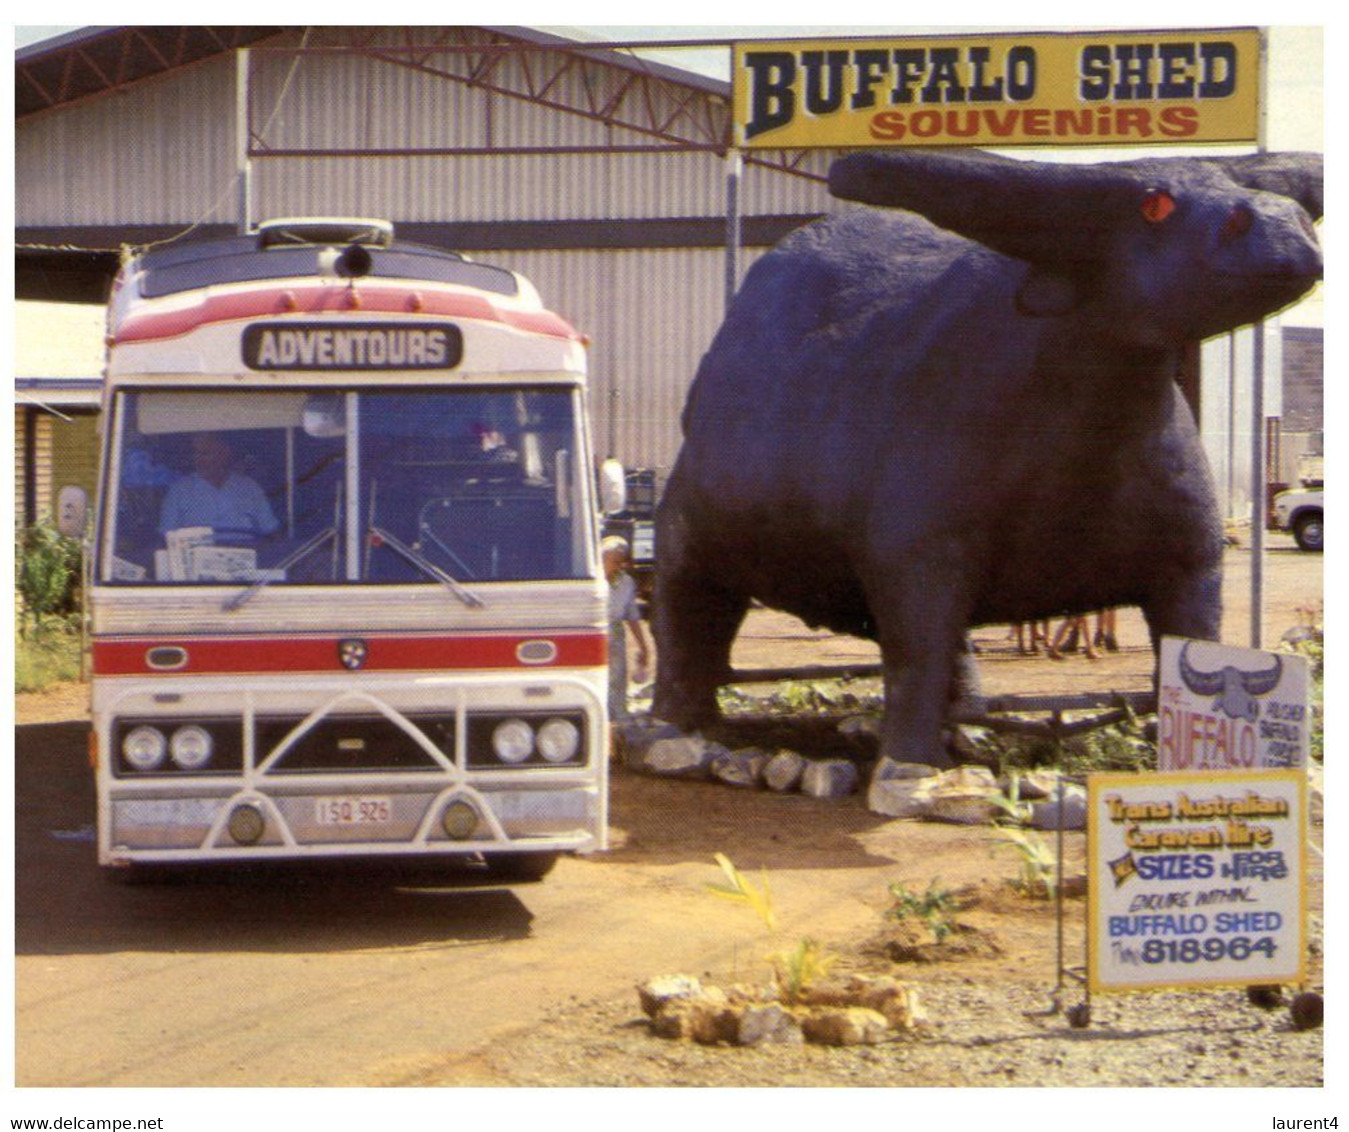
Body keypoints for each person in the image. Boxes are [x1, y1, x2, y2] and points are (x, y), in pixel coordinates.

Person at [158, 432, 279, 540]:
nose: (198, 459)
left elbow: (271, 532)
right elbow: (166, 537)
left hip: (245, 562)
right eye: (196, 453)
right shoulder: (179, 490)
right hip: (196, 562)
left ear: (224, 453)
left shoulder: (250, 488)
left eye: (205, 454)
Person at [603, 535, 652, 722]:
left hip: (615, 634)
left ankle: (618, 722)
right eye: (615, 562)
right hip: (594, 632)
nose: (619, 567)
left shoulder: (626, 583)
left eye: (621, 562)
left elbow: (632, 615)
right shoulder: (593, 581)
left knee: (617, 679)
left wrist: (643, 646)